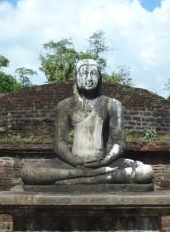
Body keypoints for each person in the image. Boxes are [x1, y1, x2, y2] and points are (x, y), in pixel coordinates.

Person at [21, 59, 153, 185]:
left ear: (100, 77)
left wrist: (104, 161)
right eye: (84, 73)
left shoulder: (112, 104)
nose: (89, 78)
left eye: (93, 73)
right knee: (28, 173)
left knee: (145, 171)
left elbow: (119, 142)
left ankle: (80, 178)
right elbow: (59, 143)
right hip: (73, 163)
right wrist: (75, 161)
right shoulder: (65, 105)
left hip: (104, 162)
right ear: (77, 77)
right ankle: (94, 176)